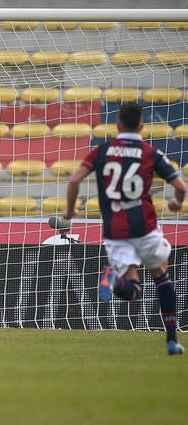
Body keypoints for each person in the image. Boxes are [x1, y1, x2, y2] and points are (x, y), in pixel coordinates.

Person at [62, 101, 186, 356]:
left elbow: (74, 179)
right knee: (161, 276)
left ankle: (115, 280)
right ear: (141, 127)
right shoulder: (149, 152)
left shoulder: (101, 150)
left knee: (133, 290)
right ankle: (172, 341)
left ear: (117, 125)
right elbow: (181, 187)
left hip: (116, 231)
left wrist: (70, 210)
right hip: (145, 227)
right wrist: (177, 202)